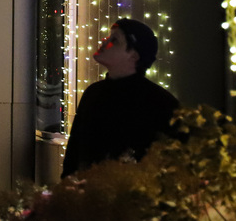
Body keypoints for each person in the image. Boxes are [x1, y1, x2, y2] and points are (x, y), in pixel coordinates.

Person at [61, 18, 179, 178]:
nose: (105, 42)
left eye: (114, 40)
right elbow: (74, 151)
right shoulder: (93, 92)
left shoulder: (159, 102)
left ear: (134, 55)